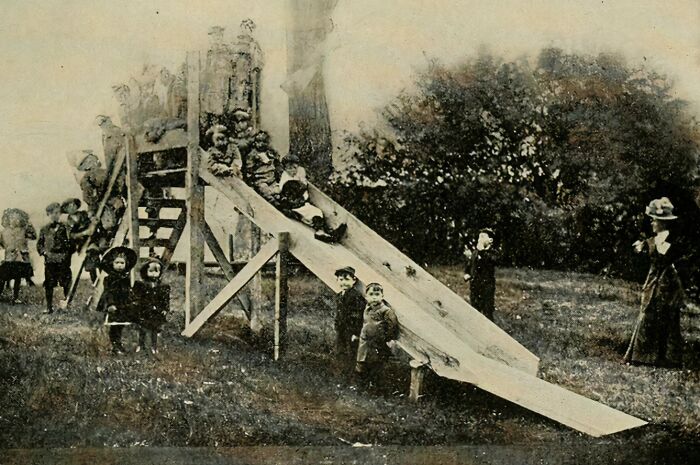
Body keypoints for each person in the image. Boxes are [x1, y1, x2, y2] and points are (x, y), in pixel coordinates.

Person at [624, 197, 685, 367]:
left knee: (666, 318)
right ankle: (641, 355)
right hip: (653, 282)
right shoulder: (652, 241)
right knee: (648, 314)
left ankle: (664, 357)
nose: (652, 223)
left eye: (654, 221)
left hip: (667, 284)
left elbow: (666, 259)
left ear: (662, 223)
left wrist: (648, 247)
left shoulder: (671, 242)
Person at [278, 154, 347, 243]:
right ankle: (320, 232)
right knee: (314, 213)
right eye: (290, 168)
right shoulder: (286, 181)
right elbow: (293, 191)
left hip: (301, 202)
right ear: (285, 169)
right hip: (295, 205)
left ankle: (327, 232)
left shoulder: (295, 175)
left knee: (316, 212)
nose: (293, 170)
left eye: (295, 168)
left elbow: (303, 184)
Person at [355, 283, 399, 389]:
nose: (374, 297)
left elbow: (392, 325)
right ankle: (362, 387)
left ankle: (376, 387)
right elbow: (364, 323)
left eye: (377, 294)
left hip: (378, 343)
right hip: (365, 342)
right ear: (366, 297)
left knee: (376, 365)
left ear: (382, 296)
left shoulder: (386, 311)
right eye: (371, 294)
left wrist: (389, 339)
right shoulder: (367, 309)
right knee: (362, 363)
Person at [96, 246, 137, 355]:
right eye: (117, 263)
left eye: (122, 263)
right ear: (112, 264)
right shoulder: (109, 279)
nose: (119, 266)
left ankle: (118, 344)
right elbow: (108, 292)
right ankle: (115, 345)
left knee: (120, 324)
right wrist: (111, 304)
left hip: (123, 304)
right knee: (115, 325)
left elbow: (128, 290)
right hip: (113, 304)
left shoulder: (125, 278)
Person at [37, 203, 72, 314]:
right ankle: (49, 307)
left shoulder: (65, 227)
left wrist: (66, 255)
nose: (56, 215)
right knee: (49, 284)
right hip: (50, 260)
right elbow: (39, 244)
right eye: (53, 213)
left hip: (62, 259)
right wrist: (44, 252)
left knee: (66, 282)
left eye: (58, 213)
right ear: (48, 214)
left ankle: (67, 305)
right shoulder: (44, 229)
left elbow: (70, 243)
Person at [132, 257, 170, 355]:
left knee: (154, 328)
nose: (154, 274)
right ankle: (140, 345)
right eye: (151, 271)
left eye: (157, 271)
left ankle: (154, 346)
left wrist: (165, 309)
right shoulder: (140, 285)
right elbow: (136, 298)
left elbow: (165, 299)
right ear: (146, 271)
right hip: (144, 310)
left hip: (156, 311)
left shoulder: (163, 287)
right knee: (142, 328)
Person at [0, 208, 37, 303]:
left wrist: (30, 225)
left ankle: (15, 297)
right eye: (12, 217)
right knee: (2, 277)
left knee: (18, 278)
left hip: (20, 258)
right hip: (8, 258)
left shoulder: (23, 230)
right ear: (8, 219)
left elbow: (33, 236)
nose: (14, 220)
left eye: (17, 218)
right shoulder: (4, 232)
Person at [464, 228, 498, 321]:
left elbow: (490, 262)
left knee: (487, 310)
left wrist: (482, 251)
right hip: (475, 285)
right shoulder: (475, 252)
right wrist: (467, 273)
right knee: (475, 308)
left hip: (487, 286)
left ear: (490, 240)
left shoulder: (492, 253)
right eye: (479, 237)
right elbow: (470, 264)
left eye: (483, 237)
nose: (480, 239)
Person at [334, 266, 366, 367]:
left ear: (354, 280)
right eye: (341, 279)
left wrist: (356, 333)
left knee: (352, 353)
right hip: (341, 329)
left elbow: (358, 315)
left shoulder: (355, 296)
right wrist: (337, 325)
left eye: (347, 279)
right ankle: (342, 374)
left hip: (351, 331)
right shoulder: (339, 295)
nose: (343, 282)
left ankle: (353, 377)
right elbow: (339, 313)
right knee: (340, 351)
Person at [244, 130, 281, 202]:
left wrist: (274, 156)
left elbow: (277, 162)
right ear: (255, 143)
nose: (261, 144)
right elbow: (249, 169)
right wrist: (258, 162)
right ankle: (274, 203)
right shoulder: (252, 155)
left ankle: (279, 201)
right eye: (258, 142)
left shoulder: (270, 152)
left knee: (278, 192)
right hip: (260, 180)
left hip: (272, 179)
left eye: (264, 142)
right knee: (266, 192)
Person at [76, 151, 108, 216]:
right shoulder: (87, 178)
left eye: (93, 158)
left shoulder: (103, 171)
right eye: (89, 161)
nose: (95, 160)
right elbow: (87, 197)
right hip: (102, 205)